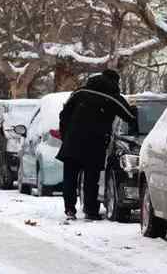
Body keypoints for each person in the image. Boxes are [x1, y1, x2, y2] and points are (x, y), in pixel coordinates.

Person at [56, 69, 136, 221]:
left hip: (72, 141)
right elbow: (129, 116)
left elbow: (63, 115)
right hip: (94, 144)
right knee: (91, 179)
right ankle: (90, 210)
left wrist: (66, 135)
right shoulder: (111, 97)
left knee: (70, 177)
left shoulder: (79, 93)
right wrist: (134, 112)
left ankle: (70, 209)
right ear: (115, 82)